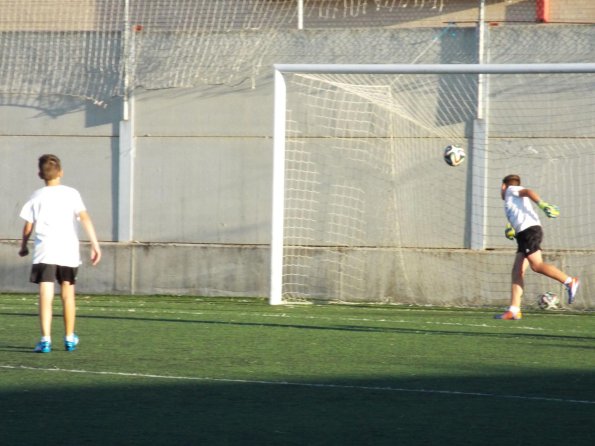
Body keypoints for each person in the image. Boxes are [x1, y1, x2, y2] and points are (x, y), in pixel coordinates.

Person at [19, 154, 101, 352]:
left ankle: (46, 339)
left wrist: (23, 245)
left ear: (40, 174)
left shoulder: (36, 196)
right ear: (61, 172)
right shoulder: (72, 194)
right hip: (68, 251)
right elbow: (85, 218)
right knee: (68, 294)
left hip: (45, 252)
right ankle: (69, 337)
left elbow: (28, 226)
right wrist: (95, 244)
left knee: (45, 296)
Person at [495, 174, 579, 320]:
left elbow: (527, 192)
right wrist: (511, 228)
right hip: (524, 234)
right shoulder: (511, 200)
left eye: (500, 188)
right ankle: (514, 310)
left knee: (537, 265)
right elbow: (518, 214)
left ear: (503, 186)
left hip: (529, 232)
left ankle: (569, 281)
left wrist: (543, 204)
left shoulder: (511, 190)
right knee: (517, 271)